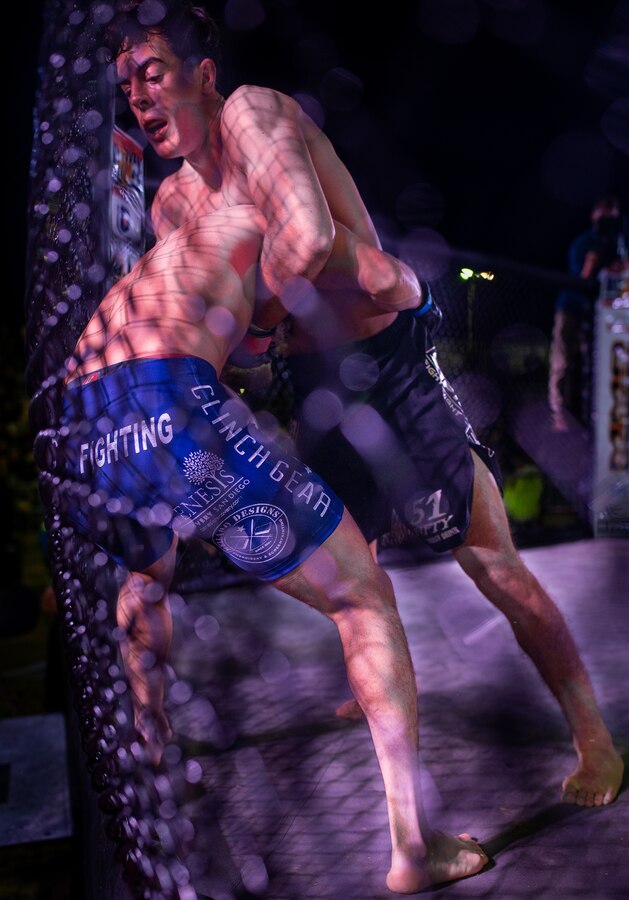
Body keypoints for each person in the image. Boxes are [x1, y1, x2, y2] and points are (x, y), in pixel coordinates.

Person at [106, 0, 623, 809]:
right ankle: (379, 701)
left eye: (152, 72)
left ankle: (594, 736)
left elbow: (308, 248)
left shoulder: (255, 115)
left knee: (490, 563)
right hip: (306, 384)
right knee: (354, 569)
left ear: (202, 75)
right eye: (125, 83)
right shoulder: (170, 204)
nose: (138, 95)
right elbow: (204, 321)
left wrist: (261, 323)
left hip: (386, 369)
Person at [49, 204, 490, 894]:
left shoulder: (161, 264)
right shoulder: (271, 212)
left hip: (80, 429)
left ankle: (151, 740)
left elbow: (236, 355)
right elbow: (385, 277)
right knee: (363, 596)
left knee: (145, 575)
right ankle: (415, 846)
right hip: (166, 398)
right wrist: (423, 300)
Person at [549, 194, 624, 432]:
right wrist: (595, 259)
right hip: (572, 307)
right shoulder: (584, 243)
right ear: (595, 217)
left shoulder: (619, 244)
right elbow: (582, 278)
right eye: (605, 219)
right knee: (563, 361)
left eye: (613, 219)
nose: (609, 224)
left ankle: (590, 415)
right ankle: (559, 415)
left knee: (592, 362)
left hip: (601, 314)